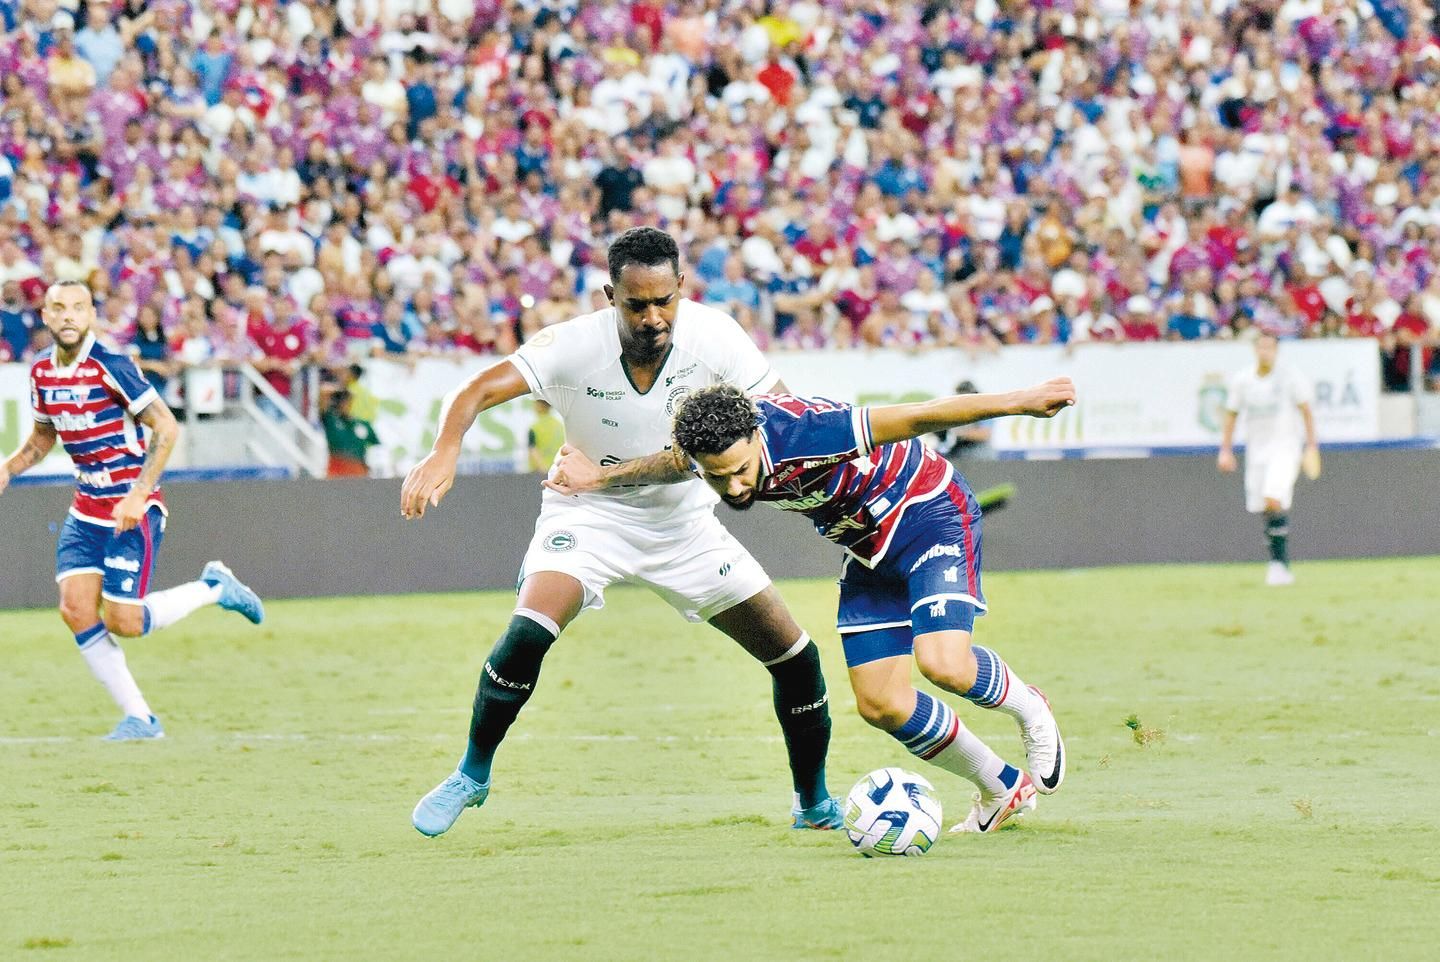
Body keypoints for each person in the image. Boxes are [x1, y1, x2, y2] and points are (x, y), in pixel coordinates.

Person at [400, 227, 838, 837]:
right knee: (529, 630)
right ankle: (472, 775)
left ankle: (813, 802)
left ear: (682, 287)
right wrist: (445, 451)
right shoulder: (572, 347)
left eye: (665, 300)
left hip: (684, 524)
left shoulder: (717, 339)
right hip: (587, 515)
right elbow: (476, 389)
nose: (654, 316)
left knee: (796, 657)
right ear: (611, 295)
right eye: (637, 304)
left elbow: (783, 419)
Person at [666, 378, 1076, 834]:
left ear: (757, 438)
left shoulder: (812, 433)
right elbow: (662, 465)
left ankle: (1030, 706)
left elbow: (920, 415)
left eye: (740, 469)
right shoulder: (704, 452)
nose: (735, 486)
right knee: (881, 703)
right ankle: (1001, 788)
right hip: (867, 548)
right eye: (715, 477)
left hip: (928, 512)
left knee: (944, 665)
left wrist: (1021, 399)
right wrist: (598, 476)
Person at [0, 282, 264, 740]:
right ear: (44, 315)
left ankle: (214, 588)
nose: (68, 317)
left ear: (90, 316)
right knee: (75, 608)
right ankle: (141, 718)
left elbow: (165, 425)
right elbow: (44, 437)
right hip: (87, 508)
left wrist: (139, 494)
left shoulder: (111, 365)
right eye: (58, 308)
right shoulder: (42, 371)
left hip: (131, 506)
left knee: (125, 621)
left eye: (78, 308)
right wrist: (9, 467)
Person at [1217, 333, 1319, 586]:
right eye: (1261, 347)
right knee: (1264, 505)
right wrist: (1225, 450)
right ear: (1254, 350)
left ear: (1276, 351)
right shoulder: (1243, 380)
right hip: (1257, 451)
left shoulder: (1289, 377)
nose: (1265, 352)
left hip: (1285, 447)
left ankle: (1279, 566)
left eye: (1270, 347)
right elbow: (1231, 415)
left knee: (1273, 498)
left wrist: (1312, 446)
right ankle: (1277, 563)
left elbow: (1306, 410)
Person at [322, 389, 380, 477]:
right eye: (341, 401)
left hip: (359, 469)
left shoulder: (362, 425)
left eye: (347, 400)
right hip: (336, 469)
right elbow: (322, 399)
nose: (344, 404)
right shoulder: (331, 420)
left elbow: (377, 447)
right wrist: (337, 390)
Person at [527, 399, 564, 472]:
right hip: (559, 469)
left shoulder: (535, 427)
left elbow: (533, 450)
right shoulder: (560, 426)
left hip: (541, 472)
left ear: (539, 405)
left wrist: (544, 470)